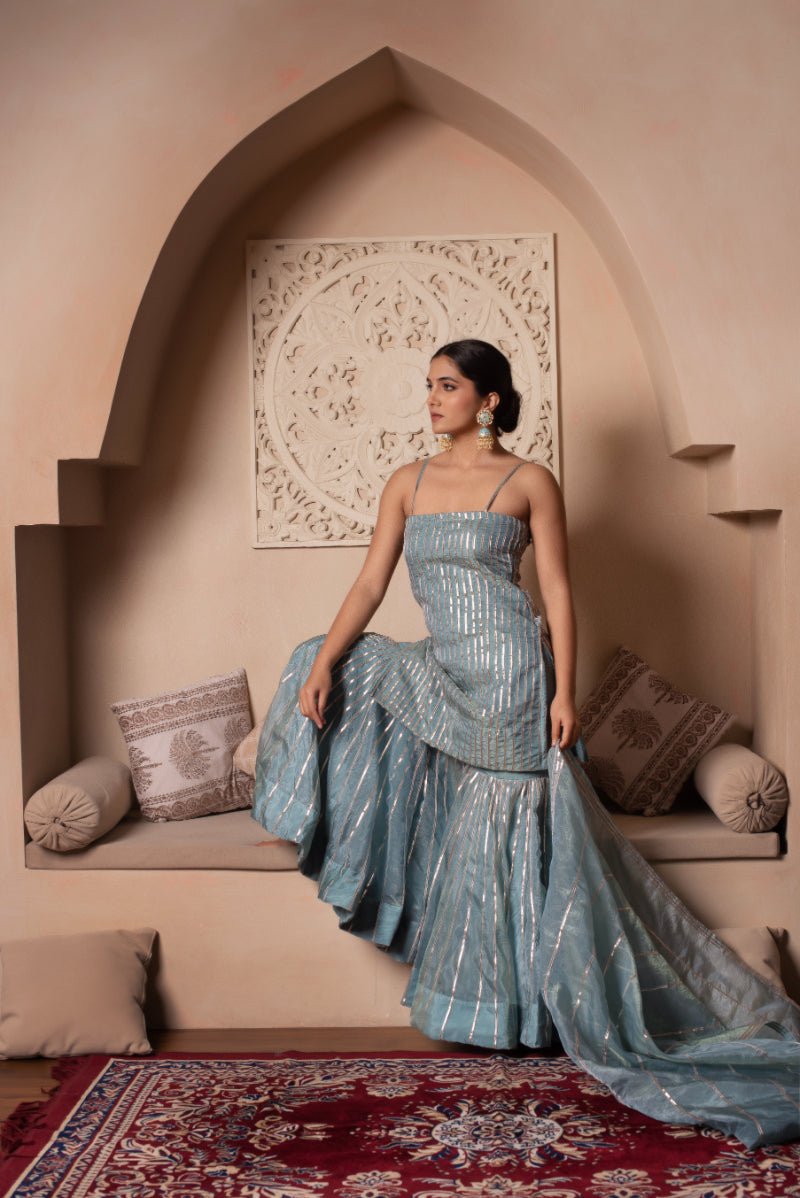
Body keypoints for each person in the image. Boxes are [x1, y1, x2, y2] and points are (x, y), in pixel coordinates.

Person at [252, 338, 800, 1149]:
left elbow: (560, 593)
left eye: (447, 386)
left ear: (489, 400)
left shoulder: (530, 481)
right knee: (321, 658)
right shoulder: (406, 482)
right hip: (443, 667)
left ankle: (522, 1013)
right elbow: (370, 583)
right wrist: (327, 661)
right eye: (429, 385)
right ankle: (474, 997)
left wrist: (565, 691)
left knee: (502, 830)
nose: (432, 398)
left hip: (511, 673)